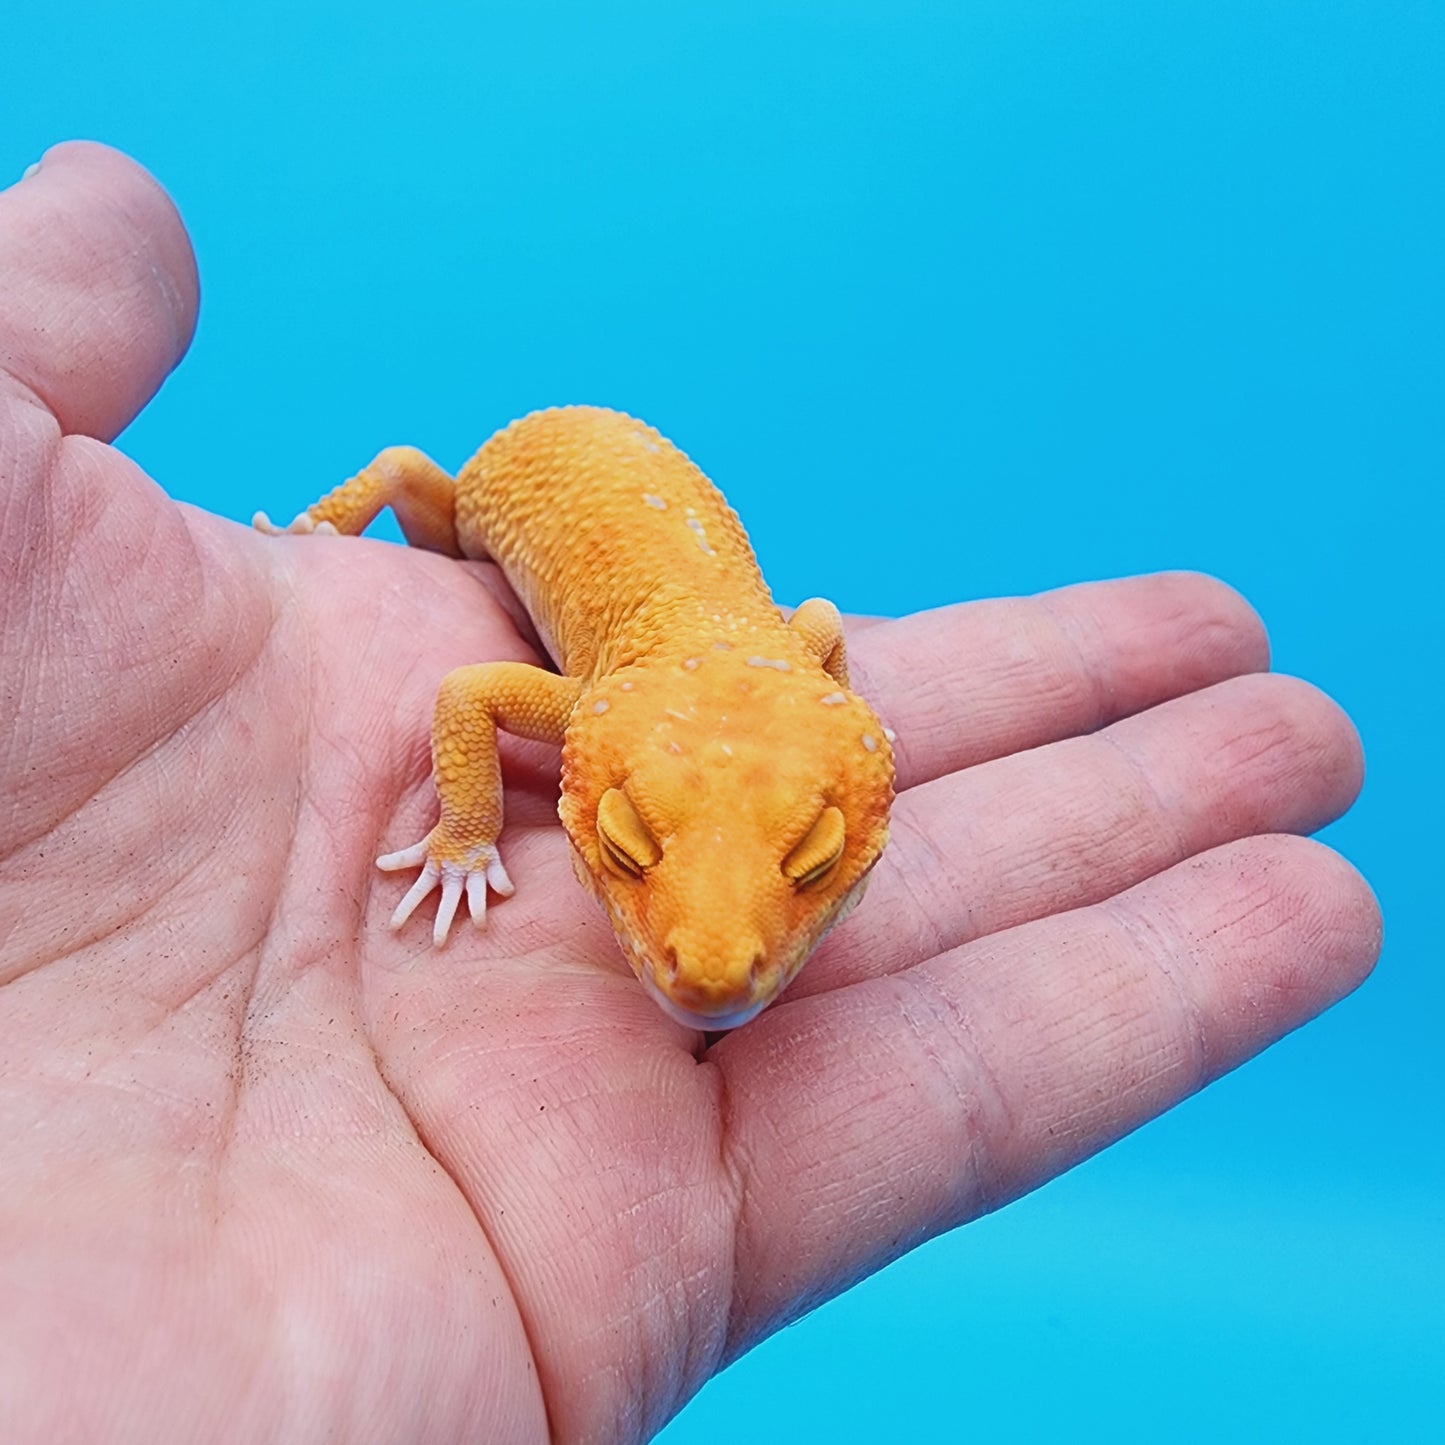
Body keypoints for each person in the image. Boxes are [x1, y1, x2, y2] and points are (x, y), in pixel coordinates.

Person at [0, 143, 1379, 1444]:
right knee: (424, 487)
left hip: (715, 626)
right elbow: (473, 697)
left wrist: (786, 729)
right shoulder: (585, 699)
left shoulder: (788, 681)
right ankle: (334, 518)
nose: (711, 964)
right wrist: (467, 828)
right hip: (507, 480)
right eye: (625, 845)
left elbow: (825, 633)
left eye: (815, 861)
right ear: (594, 746)